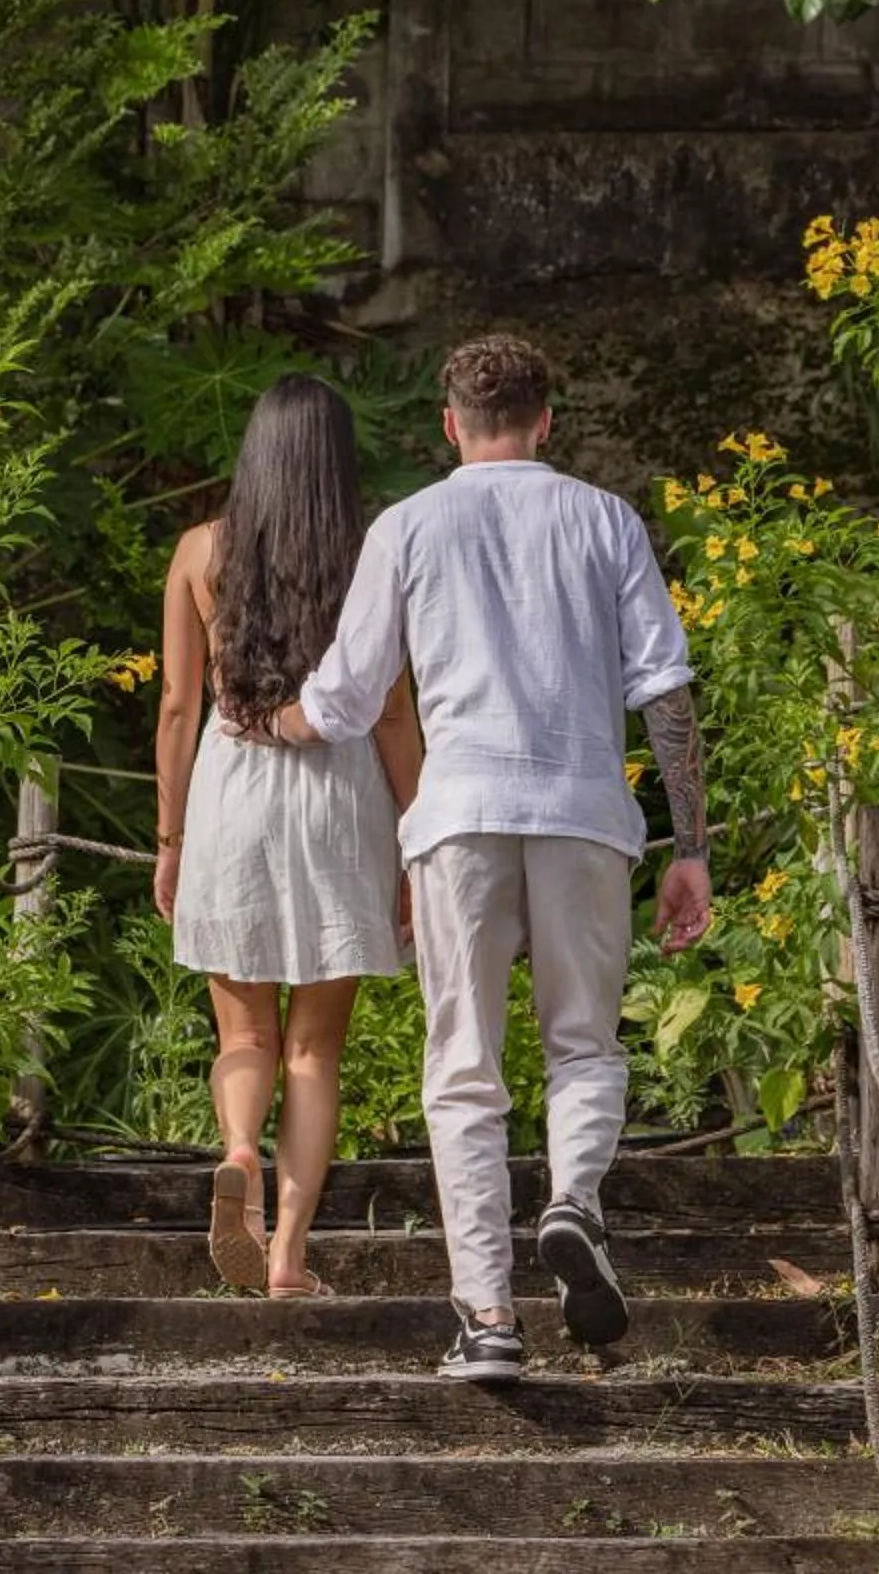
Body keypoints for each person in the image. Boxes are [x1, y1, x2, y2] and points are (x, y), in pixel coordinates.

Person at [259, 334, 712, 1383]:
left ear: (449, 424)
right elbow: (667, 692)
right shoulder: (606, 518)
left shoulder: (409, 525)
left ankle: (489, 1316)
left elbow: (347, 696)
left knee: (464, 1068)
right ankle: (572, 1199)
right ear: (547, 420)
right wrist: (689, 846)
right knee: (584, 1043)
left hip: (459, 813)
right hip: (584, 810)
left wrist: (271, 726)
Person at [153, 374, 423, 1298]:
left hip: (230, 791)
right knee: (315, 1049)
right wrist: (414, 843)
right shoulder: (371, 556)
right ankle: (288, 1258)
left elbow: (180, 705)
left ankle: (237, 1150)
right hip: (340, 797)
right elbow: (391, 716)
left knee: (245, 1032)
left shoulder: (200, 551)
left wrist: (171, 839)